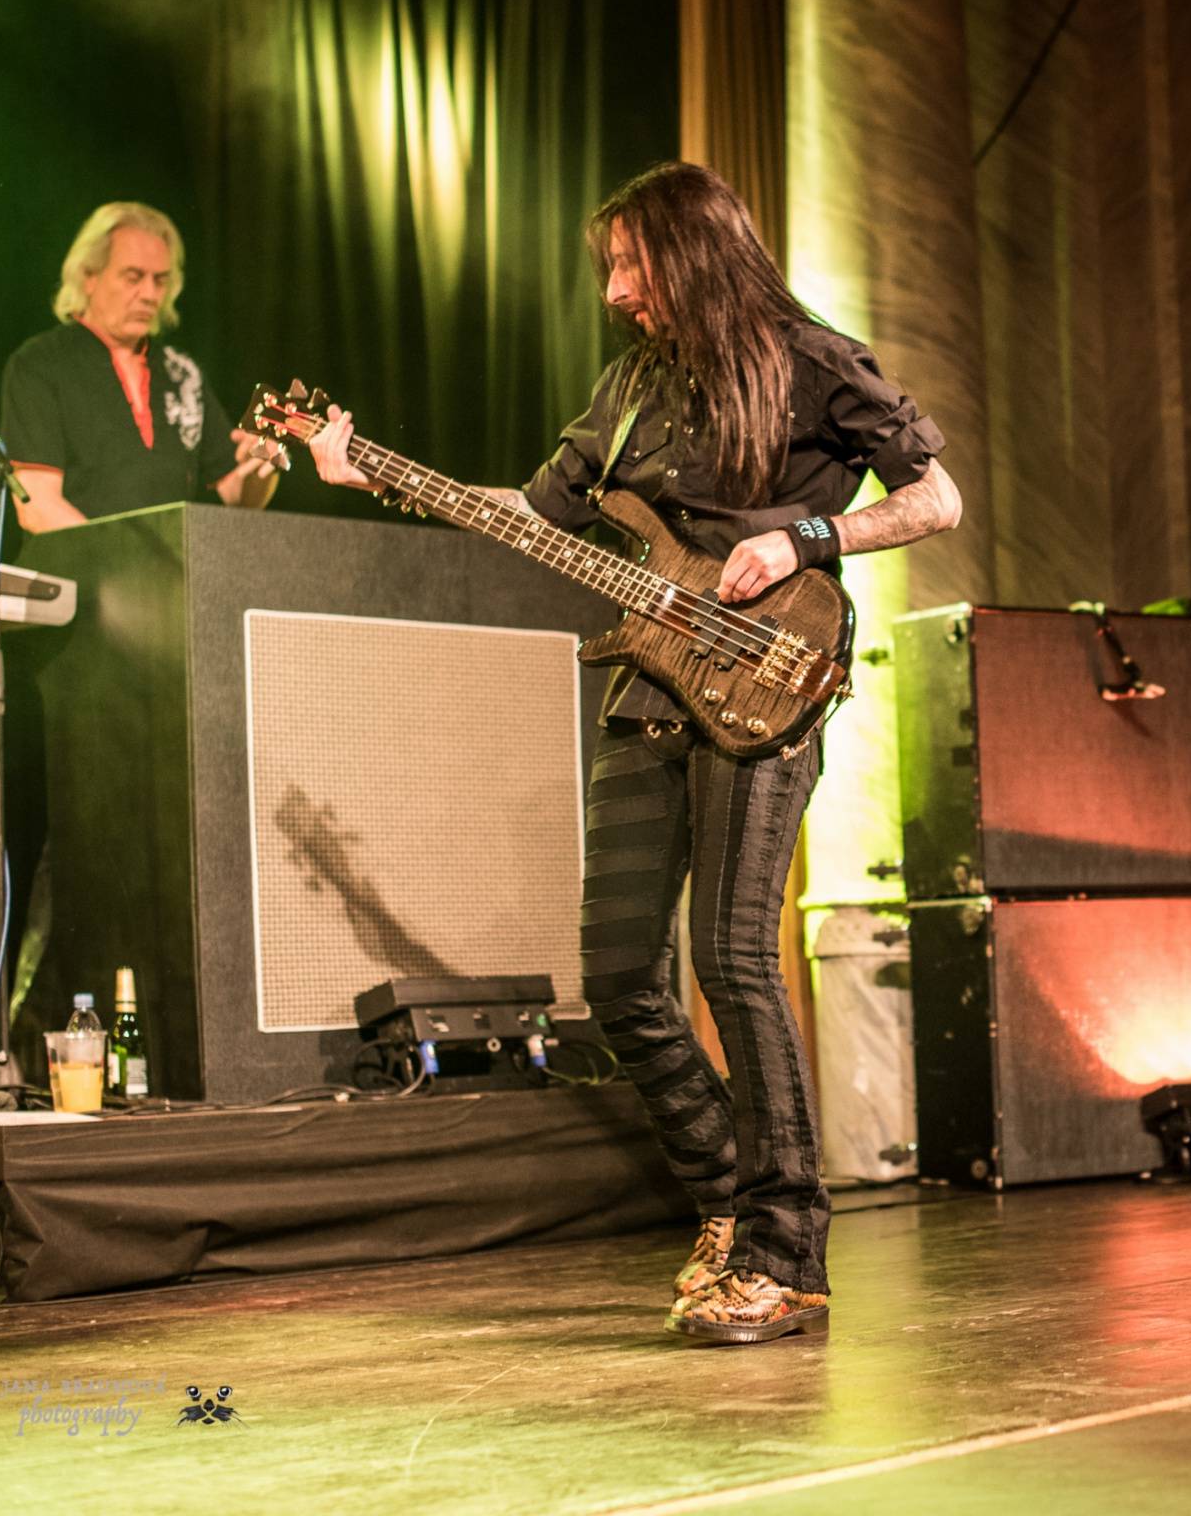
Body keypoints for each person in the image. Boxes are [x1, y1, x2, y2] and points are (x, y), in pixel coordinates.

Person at [308, 162, 961, 1345]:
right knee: (616, 973)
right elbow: (528, 512)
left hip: (769, 680)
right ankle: (727, 1197)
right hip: (648, 689)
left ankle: (785, 1253)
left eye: (630, 265)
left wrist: (809, 534)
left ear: (692, 255)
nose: (614, 290)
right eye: (608, 267)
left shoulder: (811, 359)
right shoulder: (626, 389)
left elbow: (935, 499)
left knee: (731, 959)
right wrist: (373, 470)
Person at [1, 201, 277, 531]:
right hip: (77, 578)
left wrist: (262, 464)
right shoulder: (41, 364)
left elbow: (238, 496)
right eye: (133, 277)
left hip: (166, 579)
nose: (149, 294)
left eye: (160, 281)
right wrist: (129, 568)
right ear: (89, 276)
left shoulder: (181, 372)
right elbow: (37, 506)